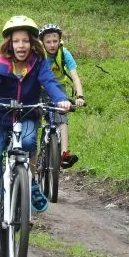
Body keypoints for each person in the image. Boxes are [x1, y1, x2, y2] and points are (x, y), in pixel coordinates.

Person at [0, 16, 71, 251]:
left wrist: (61, 99)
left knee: (30, 141)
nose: (21, 46)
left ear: (33, 43)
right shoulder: (2, 62)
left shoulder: (39, 63)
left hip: (27, 116)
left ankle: (29, 182)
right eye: (16, 41)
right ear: (9, 44)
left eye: (25, 41)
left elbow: (50, 83)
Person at [38, 23, 85, 168]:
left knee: (62, 117)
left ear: (59, 41)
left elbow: (75, 77)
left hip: (58, 88)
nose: (52, 45)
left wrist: (80, 97)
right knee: (32, 116)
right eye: (48, 42)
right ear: (42, 43)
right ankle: (29, 150)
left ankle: (64, 154)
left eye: (55, 41)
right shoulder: (38, 54)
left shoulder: (64, 53)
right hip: (39, 87)